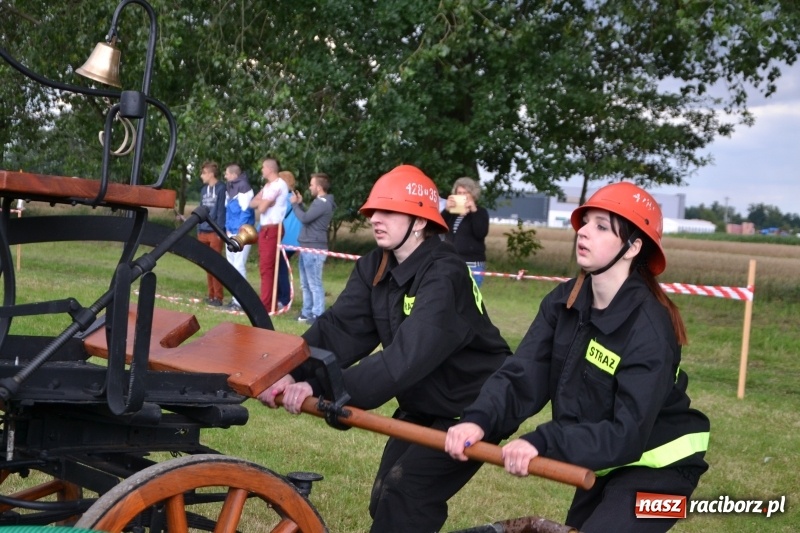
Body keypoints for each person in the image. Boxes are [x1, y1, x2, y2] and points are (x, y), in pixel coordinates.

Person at [445, 182, 710, 533]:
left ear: (633, 247)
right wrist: (478, 419)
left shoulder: (649, 328)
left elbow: (628, 433)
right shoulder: (563, 302)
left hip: (664, 470)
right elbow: (523, 374)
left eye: (601, 227)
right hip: (605, 460)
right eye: (585, 223)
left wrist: (544, 441)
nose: (583, 232)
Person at [258, 165, 512, 533]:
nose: (375, 218)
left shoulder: (446, 273)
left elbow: (405, 359)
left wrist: (324, 388)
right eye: (374, 210)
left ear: (420, 221)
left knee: (405, 495)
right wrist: (289, 371)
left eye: (389, 211)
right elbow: (339, 329)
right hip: (423, 402)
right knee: (384, 497)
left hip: (472, 406)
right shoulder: (375, 265)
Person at [291, 172, 335, 324]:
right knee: (305, 284)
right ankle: (307, 312)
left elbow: (305, 218)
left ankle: (317, 314)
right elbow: (310, 217)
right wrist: (300, 204)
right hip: (308, 247)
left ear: (319, 187)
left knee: (314, 283)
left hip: (314, 249)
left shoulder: (322, 203)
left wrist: (294, 205)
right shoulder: (320, 203)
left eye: (311, 185)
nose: (309, 187)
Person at [250, 158, 288, 313]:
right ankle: (269, 301)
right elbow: (252, 203)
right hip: (265, 228)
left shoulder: (279, 185)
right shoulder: (267, 186)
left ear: (270, 169)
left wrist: (263, 202)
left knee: (267, 268)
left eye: (263, 167)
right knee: (265, 267)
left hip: (273, 228)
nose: (261, 170)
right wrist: (263, 201)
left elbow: (262, 208)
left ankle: (266, 304)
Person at [440, 177, 490, 287]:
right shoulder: (452, 214)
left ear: (473, 195)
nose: (462, 196)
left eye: (465, 193)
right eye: (459, 193)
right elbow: (438, 228)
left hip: (472, 264)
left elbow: (480, 233)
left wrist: (474, 211)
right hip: (452, 261)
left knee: (469, 295)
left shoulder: (480, 212)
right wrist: (446, 210)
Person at [223, 163, 255, 312]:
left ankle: (241, 301)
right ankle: (234, 299)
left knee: (239, 265)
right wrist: (227, 228)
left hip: (242, 232)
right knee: (231, 266)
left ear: (234, 175)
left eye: (227, 173)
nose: (225, 176)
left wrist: (240, 231)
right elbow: (229, 210)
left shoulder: (243, 187)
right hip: (231, 231)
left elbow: (246, 211)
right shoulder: (230, 187)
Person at [197, 160, 226, 307]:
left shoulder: (221, 188)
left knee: (216, 265)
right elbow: (201, 209)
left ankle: (218, 297)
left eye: (203, 173)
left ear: (210, 174)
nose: (201, 176)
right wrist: (198, 228)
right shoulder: (203, 190)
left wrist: (219, 231)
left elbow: (221, 211)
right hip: (203, 231)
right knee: (207, 265)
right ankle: (211, 295)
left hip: (215, 232)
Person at [277, 170, 302, 310]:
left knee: (280, 269)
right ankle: (281, 296)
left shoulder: (282, 199)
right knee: (282, 268)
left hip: (285, 239)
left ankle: (283, 298)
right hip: (296, 240)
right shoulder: (296, 198)